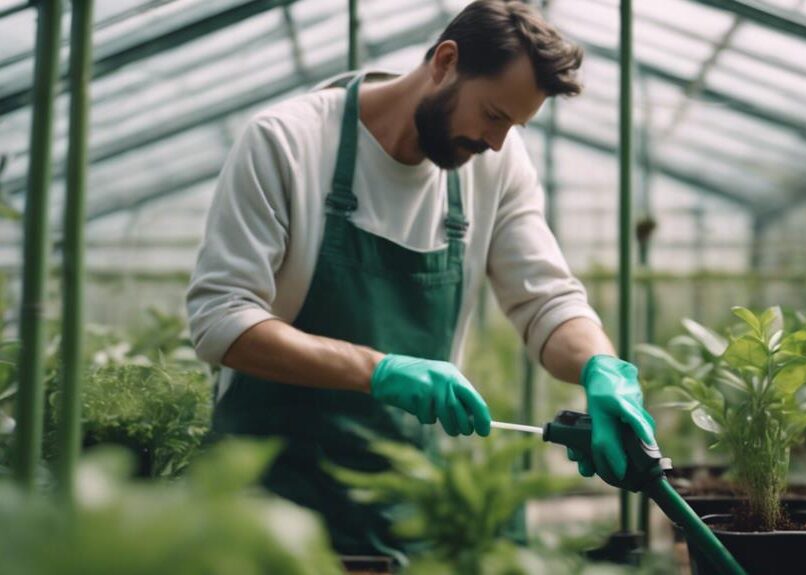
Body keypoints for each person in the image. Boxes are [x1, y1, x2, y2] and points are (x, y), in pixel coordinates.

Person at [186, 0, 655, 558]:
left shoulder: (495, 164)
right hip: (267, 494)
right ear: (445, 62)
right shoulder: (287, 142)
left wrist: (600, 368)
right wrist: (378, 370)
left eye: (514, 126)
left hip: (400, 497)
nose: (498, 141)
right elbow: (221, 321)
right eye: (494, 116)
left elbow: (546, 301)